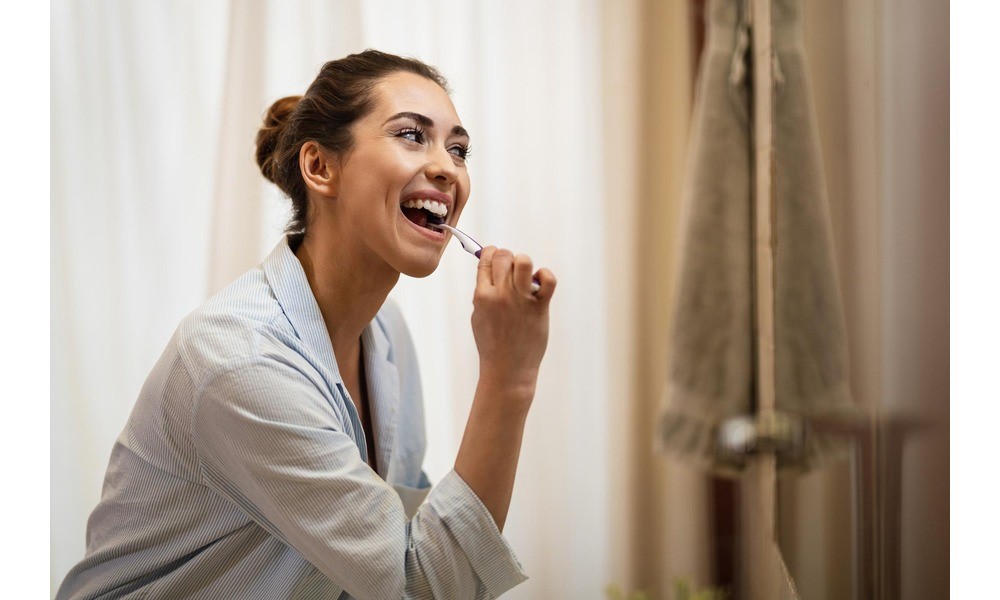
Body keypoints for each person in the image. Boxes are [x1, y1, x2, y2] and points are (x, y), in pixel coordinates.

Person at [57, 49, 556, 600]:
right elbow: (420, 587)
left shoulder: (386, 336)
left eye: (458, 149)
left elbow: (400, 551)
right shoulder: (239, 359)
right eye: (412, 136)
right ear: (320, 167)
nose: (447, 167)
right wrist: (509, 380)